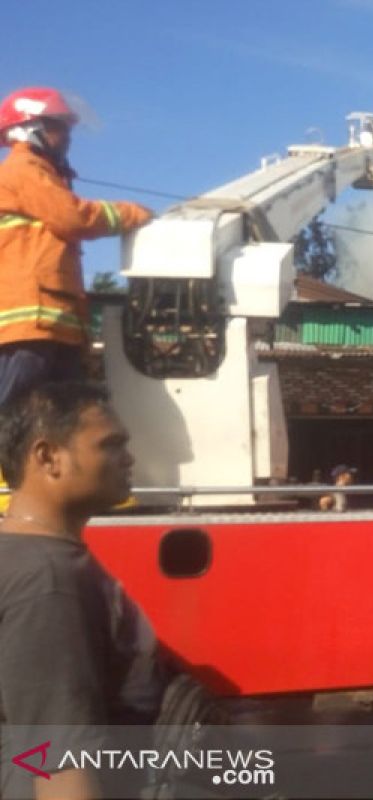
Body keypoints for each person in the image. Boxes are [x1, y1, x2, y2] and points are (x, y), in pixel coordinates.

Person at [0, 382, 163, 799]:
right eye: (110, 445)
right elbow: (60, 762)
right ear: (48, 456)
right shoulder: (47, 581)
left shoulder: (27, 555)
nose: (128, 458)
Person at [0, 87, 153, 407]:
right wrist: (132, 214)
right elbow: (73, 217)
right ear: (31, 128)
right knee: (15, 413)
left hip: (53, 325)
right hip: (30, 329)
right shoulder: (23, 169)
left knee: (59, 419)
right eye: (59, 127)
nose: (67, 137)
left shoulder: (43, 175)